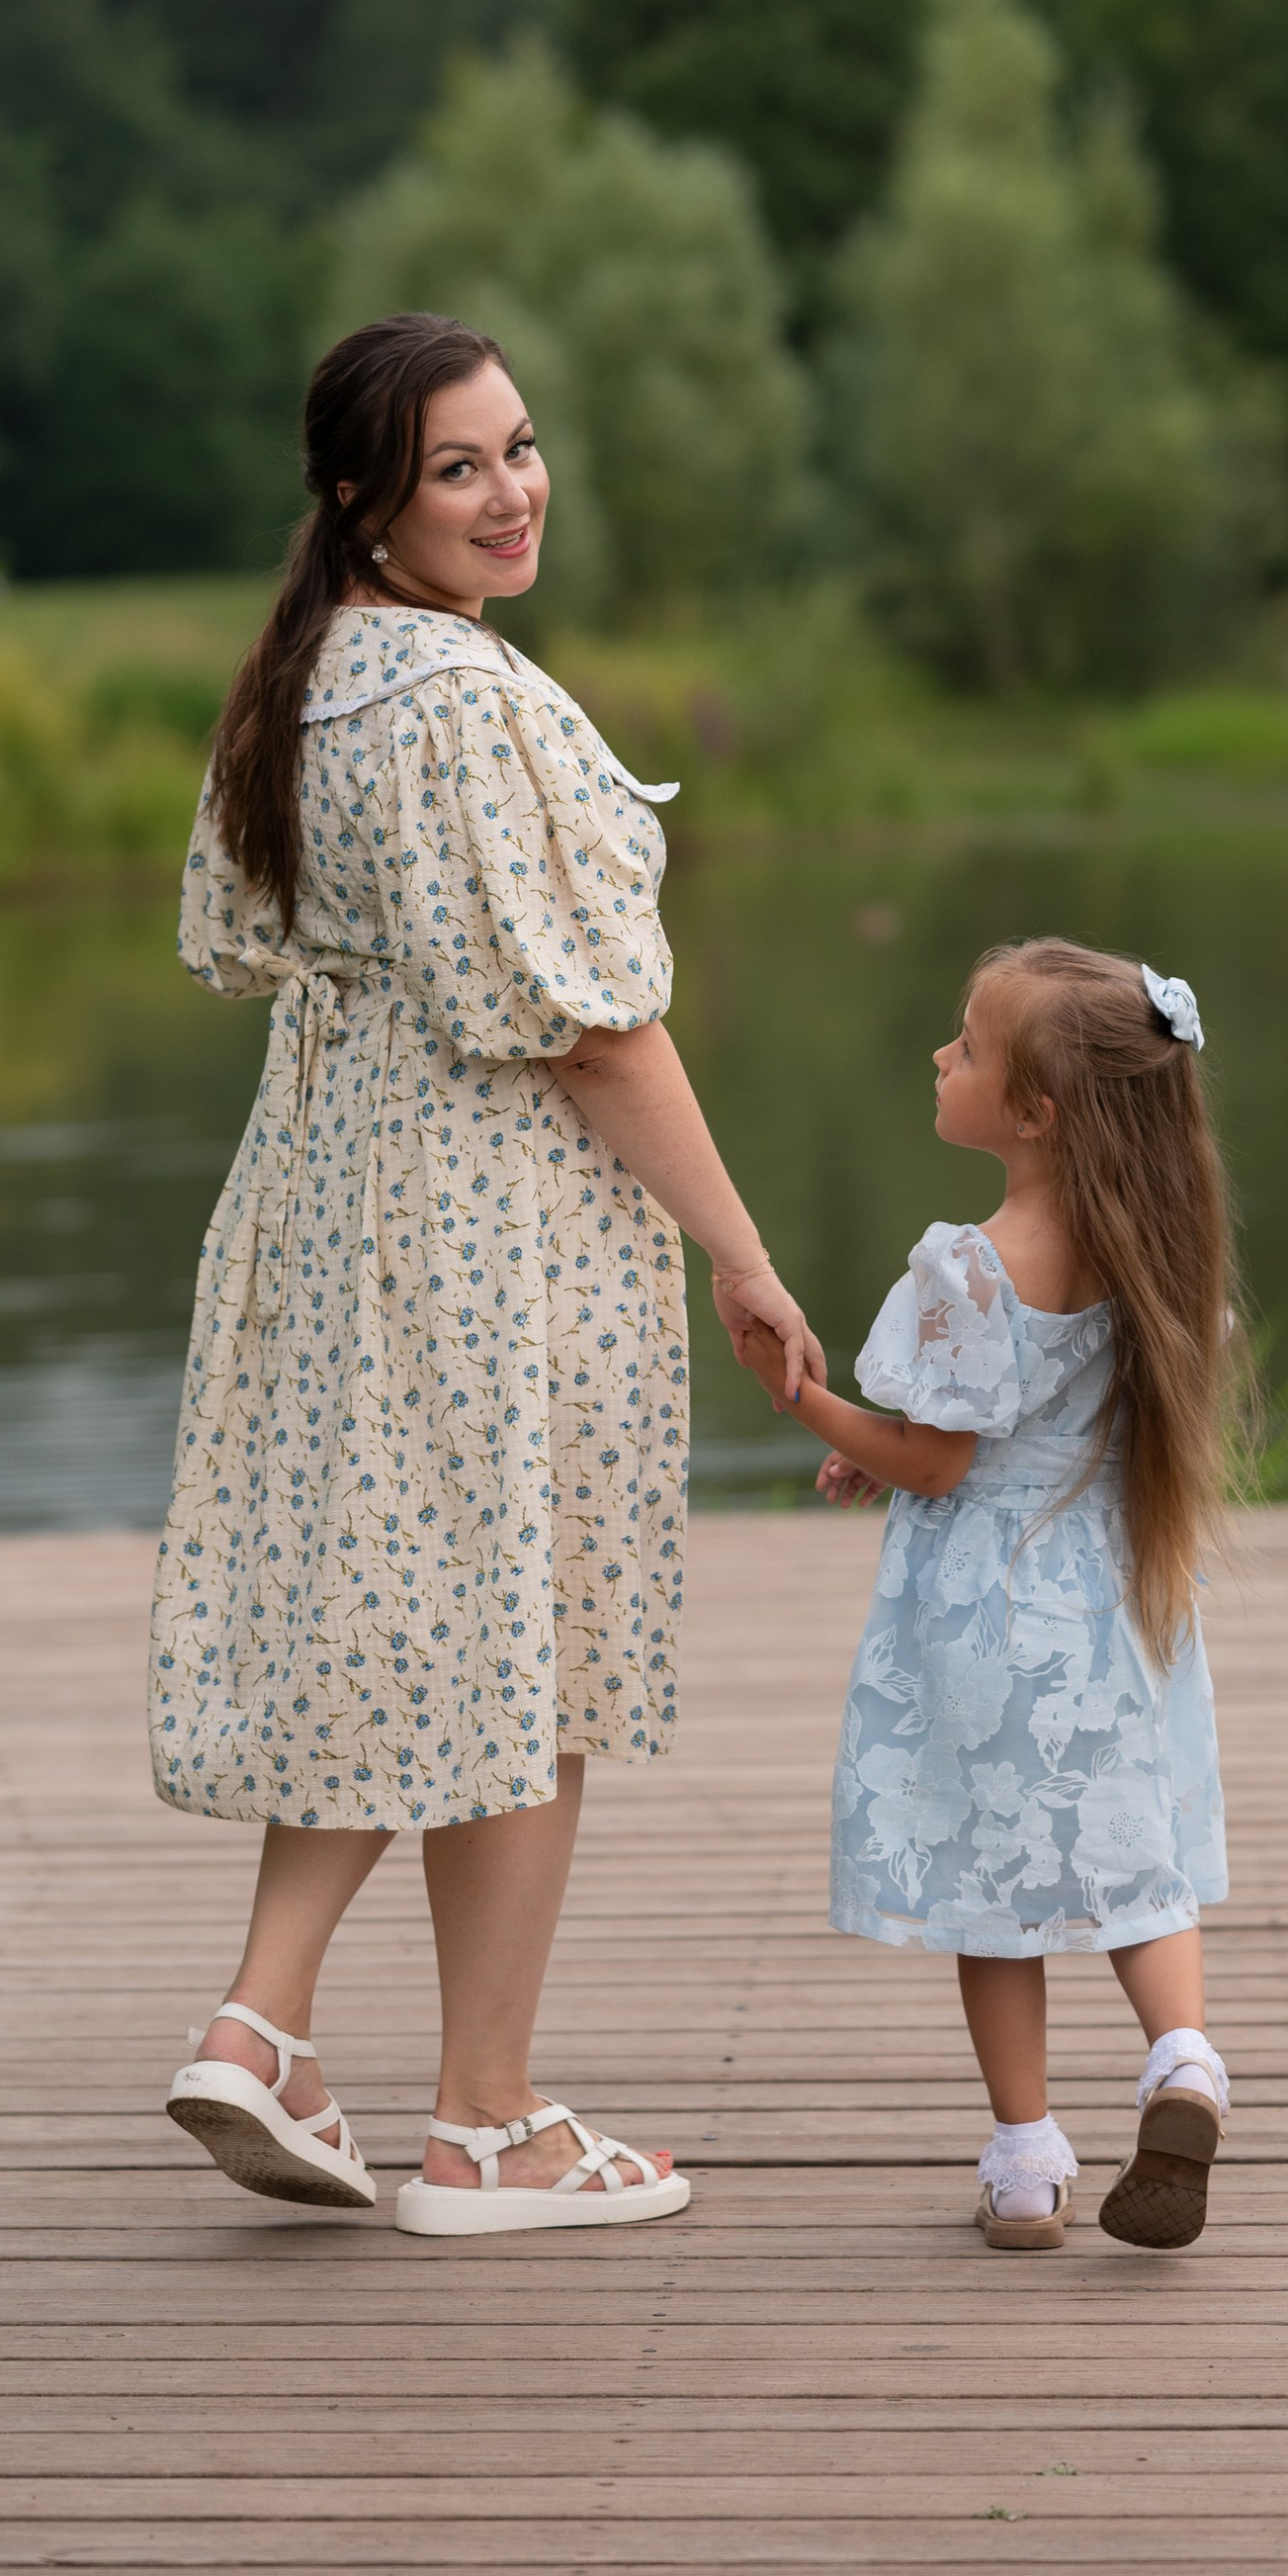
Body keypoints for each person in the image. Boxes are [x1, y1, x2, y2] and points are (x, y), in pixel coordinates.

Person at [152, 311, 821, 2239]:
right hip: (489, 1224)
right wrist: (743, 1252)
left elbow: (247, 942)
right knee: (519, 1648)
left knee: (407, 1616)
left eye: (520, 447)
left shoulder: (302, 680)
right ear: (368, 493)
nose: (513, 488)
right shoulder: (454, 695)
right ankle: (488, 2124)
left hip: (332, 1201)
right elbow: (589, 1033)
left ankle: (263, 2022)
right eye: (461, 465)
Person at [750, 937, 1240, 2254]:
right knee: (1135, 1859)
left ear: (1032, 1111)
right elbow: (1039, 1421)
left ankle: (1026, 2169)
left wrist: (807, 1401)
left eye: (965, 1047)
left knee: (993, 1887)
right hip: (1114, 1604)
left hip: (988, 1616)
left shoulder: (974, 1264)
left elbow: (942, 1454)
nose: (939, 1057)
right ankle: (1183, 2057)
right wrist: (885, 1466)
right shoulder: (1158, 1239)